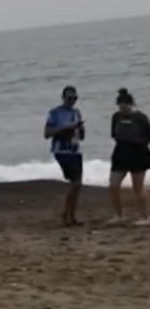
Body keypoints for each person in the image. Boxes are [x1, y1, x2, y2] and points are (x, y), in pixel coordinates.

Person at [108, 88, 150, 225]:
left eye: (125, 107)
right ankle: (118, 215)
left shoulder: (141, 117)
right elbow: (113, 134)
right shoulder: (116, 117)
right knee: (114, 184)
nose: (123, 110)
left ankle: (145, 216)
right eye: (120, 107)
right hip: (121, 151)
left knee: (138, 186)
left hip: (138, 152)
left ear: (131, 104)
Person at [44, 85, 85, 225]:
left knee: (77, 184)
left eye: (75, 98)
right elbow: (47, 133)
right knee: (75, 183)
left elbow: (82, 136)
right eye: (69, 98)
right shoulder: (55, 113)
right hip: (61, 150)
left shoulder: (77, 112)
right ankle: (66, 215)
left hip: (75, 150)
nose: (72, 101)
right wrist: (64, 129)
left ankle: (70, 215)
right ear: (63, 98)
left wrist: (79, 128)